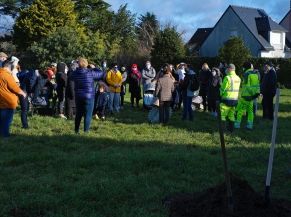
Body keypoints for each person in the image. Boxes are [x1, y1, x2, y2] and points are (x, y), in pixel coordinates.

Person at [71, 57, 104, 133]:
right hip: (89, 96)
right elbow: (101, 73)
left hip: (78, 96)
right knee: (88, 114)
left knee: (78, 114)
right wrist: (94, 68)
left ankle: (76, 130)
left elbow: (71, 77)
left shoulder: (75, 73)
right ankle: (86, 131)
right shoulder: (91, 72)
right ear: (86, 64)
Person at [0, 58, 27, 137]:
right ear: (9, 67)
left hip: (1, 101)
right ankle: (5, 136)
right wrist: (22, 93)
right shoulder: (7, 75)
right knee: (7, 120)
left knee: (1, 120)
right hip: (8, 102)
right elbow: (14, 87)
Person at [235, 62, 260, 130]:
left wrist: (250, 93)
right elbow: (258, 85)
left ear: (245, 67)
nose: (243, 68)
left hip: (245, 96)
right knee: (250, 112)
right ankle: (249, 126)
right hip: (252, 97)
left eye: (243, 67)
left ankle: (237, 125)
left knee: (240, 111)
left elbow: (247, 86)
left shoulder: (246, 74)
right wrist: (256, 94)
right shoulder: (255, 74)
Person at [219, 64, 241, 132]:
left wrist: (219, 95)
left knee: (222, 115)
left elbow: (223, 88)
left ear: (230, 69)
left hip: (226, 99)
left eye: (227, 68)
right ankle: (231, 130)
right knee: (231, 115)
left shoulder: (227, 77)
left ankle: (222, 130)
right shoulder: (238, 78)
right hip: (235, 100)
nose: (226, 70)